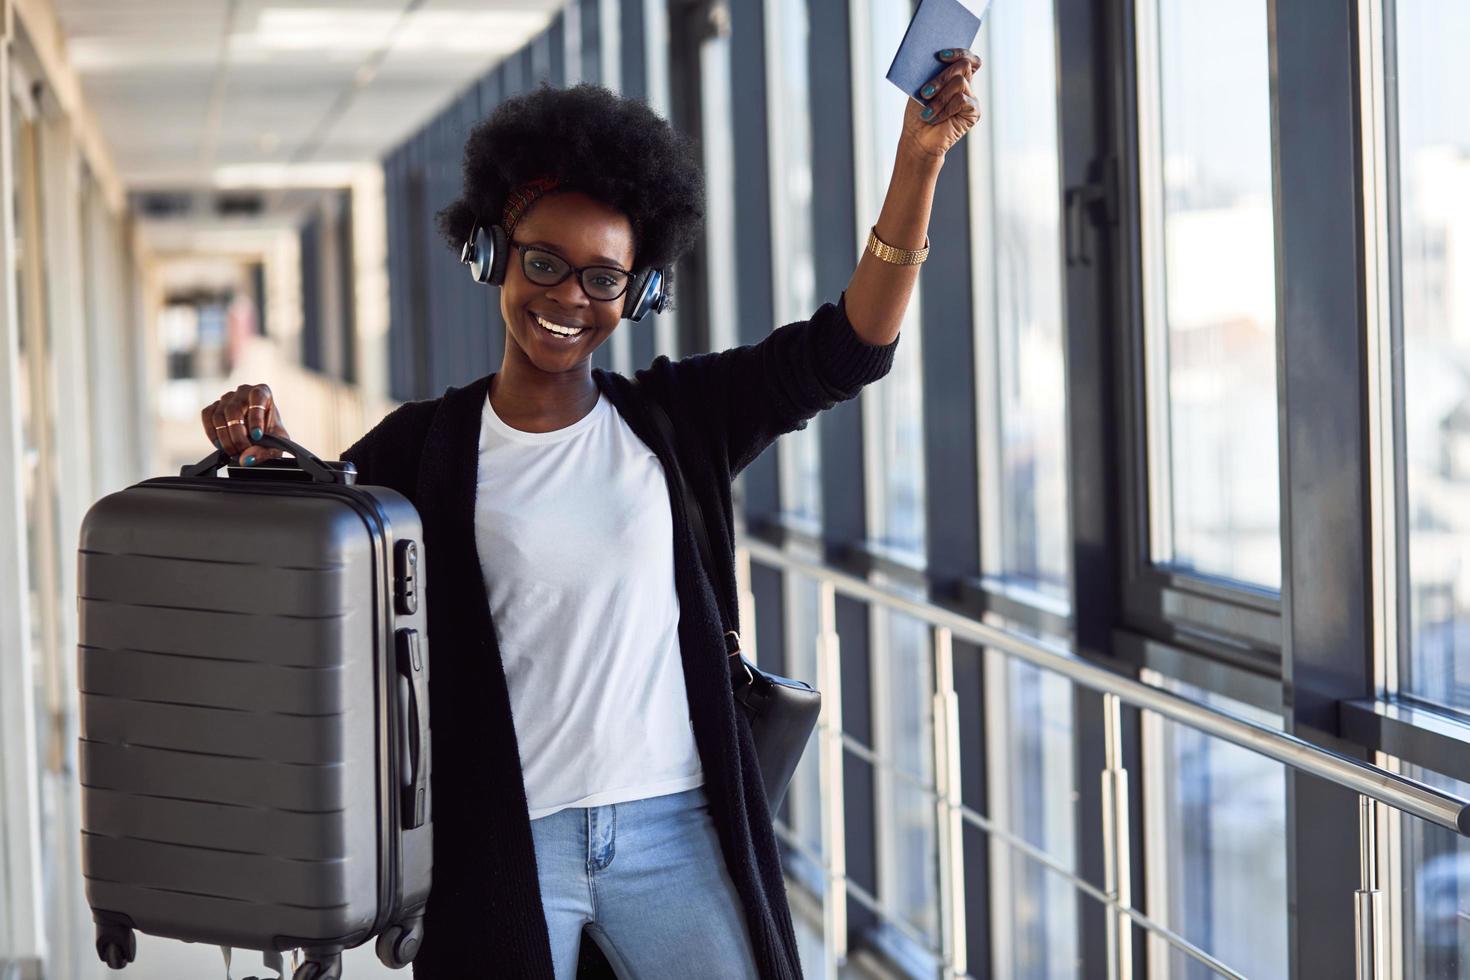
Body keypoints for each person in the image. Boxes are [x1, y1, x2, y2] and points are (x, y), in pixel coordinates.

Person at [201, 50, 980, 980]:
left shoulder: (676, 423)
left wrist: (920, 160)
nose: (569, 297)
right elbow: (316, 554)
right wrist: (260, 451)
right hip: (502, 836)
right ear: (491, 254)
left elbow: (848, 348)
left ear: (639, 291)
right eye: (543, 261)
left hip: (676, 825)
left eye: (603, 278)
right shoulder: (421, 451)